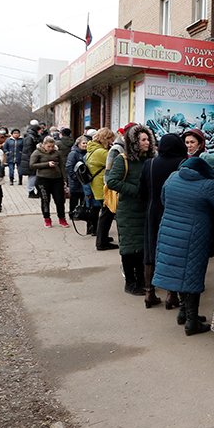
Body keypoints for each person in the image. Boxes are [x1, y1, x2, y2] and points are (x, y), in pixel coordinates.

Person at [154, 156, 214, 335]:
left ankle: (183, 312)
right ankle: (192, 322)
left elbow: (163, 200)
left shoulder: (172, 178)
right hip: (195, 235)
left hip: (169, 231)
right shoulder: (209, 185)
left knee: (179, 273)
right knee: (192, 274)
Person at [106, 124, 156, 296]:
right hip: (128, 211)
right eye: (143, 139)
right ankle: (130, 282)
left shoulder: (149, 160)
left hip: (144, 210)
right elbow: (112, 181)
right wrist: (136, 191)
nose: (147, 142)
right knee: (129, 248)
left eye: (148, 138)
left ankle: (142, 280)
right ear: (134, 142)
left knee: (143, 247)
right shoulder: (123, 159)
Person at [141, 133, 188, 309]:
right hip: (175, 212)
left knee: (150, 251)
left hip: (152, 211)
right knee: (171, 252)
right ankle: (171, 295)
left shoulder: (150, 163)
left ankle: (149, 293)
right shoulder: (182, 164)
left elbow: (142, 191)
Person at [85, 128, 117, 249]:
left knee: (105, 214)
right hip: (102, 187)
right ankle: (102, 242)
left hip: (97, 186)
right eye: (110, 139)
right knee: (106, 215)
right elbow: (115, 162)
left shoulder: (92, 150)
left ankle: (102, 237)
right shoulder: (101, 153)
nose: (112, 141)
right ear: (105, 138)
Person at [30, 136, 69, 228]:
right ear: (44, 145)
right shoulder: (37, 152)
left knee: (60, 200)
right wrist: (47, 164)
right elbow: (32, 165)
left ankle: (62, 218)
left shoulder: (57, 153)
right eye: (49, 146)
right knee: (45, 200)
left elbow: (62, 166)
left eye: (52, 146)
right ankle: (47, 219)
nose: (51, 148)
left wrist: (64, 179)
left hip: (57, 179)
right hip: (43, 179)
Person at [66, 136, 88, 217]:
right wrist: (75, 177)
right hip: (75, 181)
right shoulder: (73, 153)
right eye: (83, 143)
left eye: (86, 143)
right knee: (74, 199)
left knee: (83, 199)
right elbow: (69, 167)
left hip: (84, 181)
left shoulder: (87, 152)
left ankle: (81, 214)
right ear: (78, 144)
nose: (85, 145)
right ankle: (72, 214)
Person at [20, 120, 42, 198]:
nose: (41, 132)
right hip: (30, 159)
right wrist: (34, 158)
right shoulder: (30, 137)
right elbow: (29, 149)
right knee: (32, 176)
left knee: (33, 176)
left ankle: (33, 190)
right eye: (40, 130)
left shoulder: (30, 136)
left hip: (30, 159)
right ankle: (31, 191)